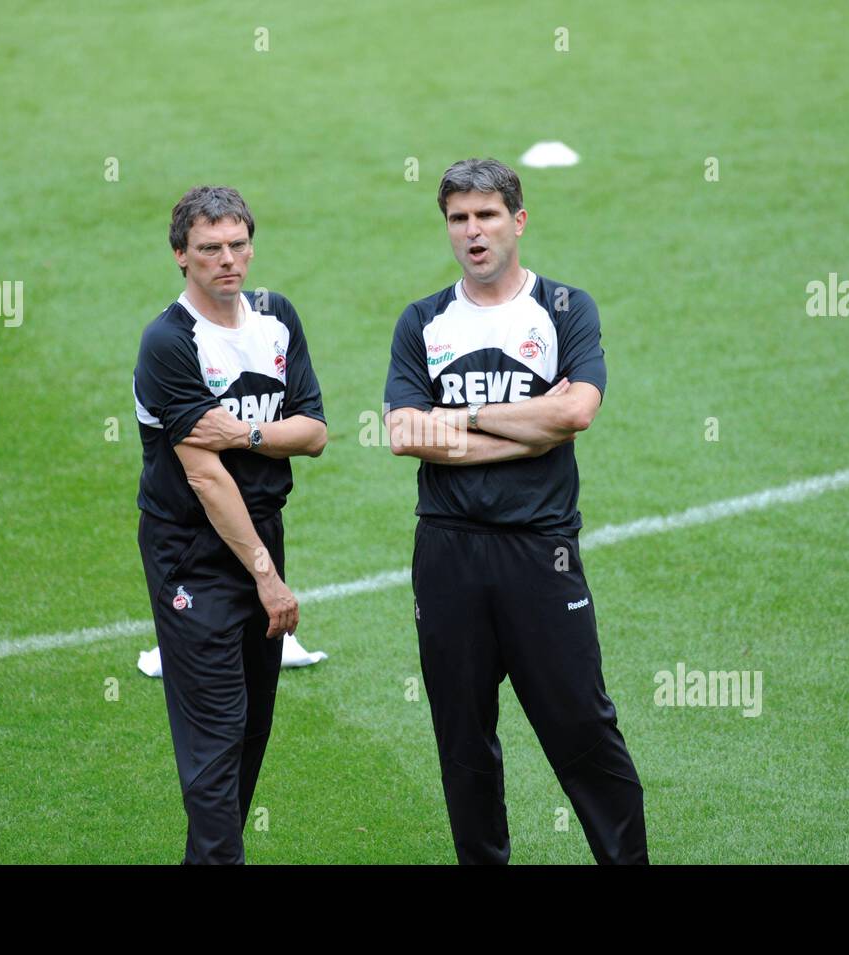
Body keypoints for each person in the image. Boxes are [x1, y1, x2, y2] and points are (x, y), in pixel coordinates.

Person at [383, 158, 648, 864]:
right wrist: (528, 425)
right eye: (459, 218)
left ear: (518, 220)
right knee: (463, 741)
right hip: (447, 555)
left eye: (487, 215)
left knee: (584, 730)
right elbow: (406, 432)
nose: (474, 231)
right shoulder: (423, 321)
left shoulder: (565, 308)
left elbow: (577, 412)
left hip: (541, 552)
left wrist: (460, 419)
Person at [133, 185, 327, 864]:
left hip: (262, 531)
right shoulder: (168, 341)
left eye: (238, 244)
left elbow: (314, 432)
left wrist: (244, 431)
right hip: (194, 552)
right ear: (180, 254)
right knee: (217, 731)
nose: (227, 260)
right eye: (210, 248)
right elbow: (204, 473)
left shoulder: (277, 319)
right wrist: (268, 579)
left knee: (251, 730)